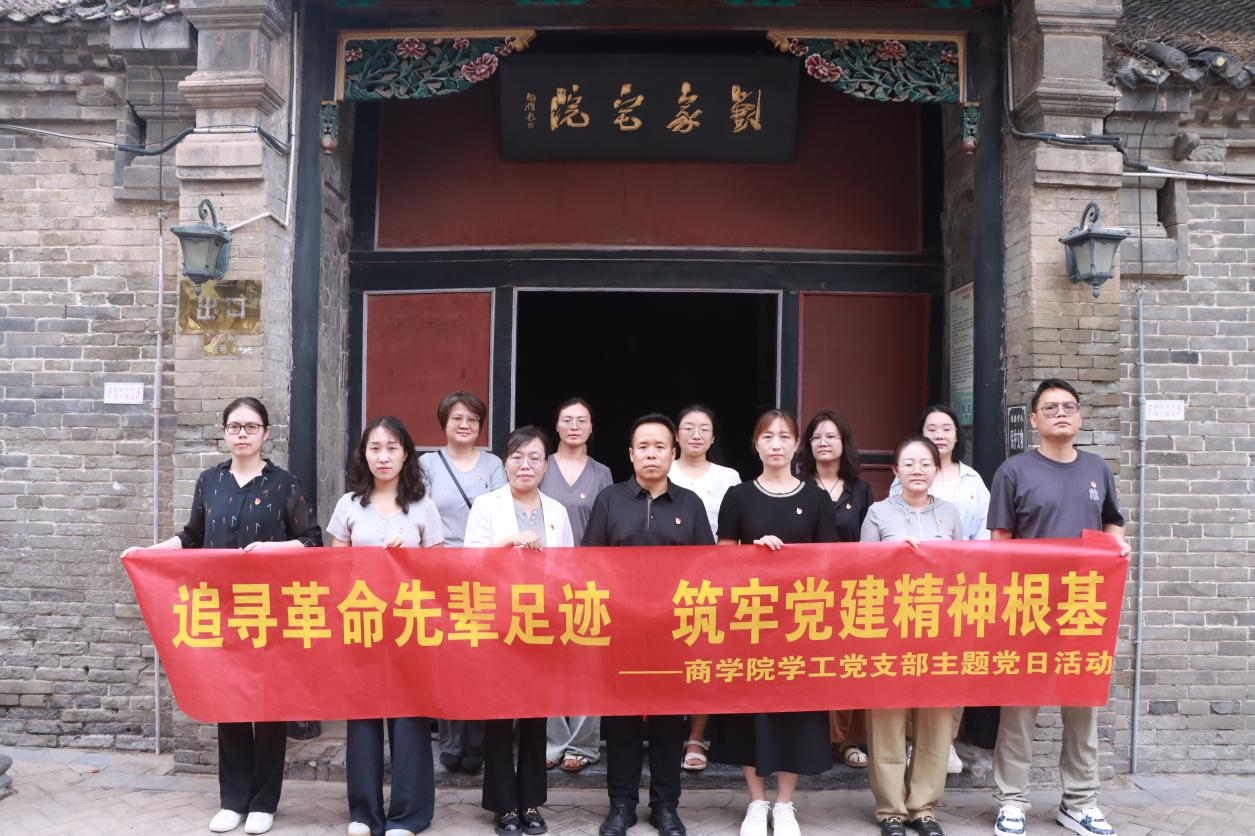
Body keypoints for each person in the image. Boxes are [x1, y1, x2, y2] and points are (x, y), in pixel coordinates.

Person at [124, 397, 321, 836]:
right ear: (225, 433)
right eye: (235, 426)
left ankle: (264, 803)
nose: (242, 434)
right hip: (221, 609)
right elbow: (191, 536)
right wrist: (148, 553)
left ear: (266, 433)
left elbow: (312, 540)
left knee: (268, 706)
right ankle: (233, 800)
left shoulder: (284, 483)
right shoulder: (210, 481)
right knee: (229, 701)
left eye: (251, 427)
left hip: (270, 610)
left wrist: (272, 549)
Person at [989, 379, 1129, 836]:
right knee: (1019, 710)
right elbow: (1000, 541)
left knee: (1082, 707)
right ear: (1033, 420)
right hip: (1029, 606)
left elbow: (1113, 521)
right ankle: (1012, 800)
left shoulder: (1096, 469)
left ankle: (1080, 802)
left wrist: (1116, 547)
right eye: (1050, 408)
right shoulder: (1013, 471)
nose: (1061, 413)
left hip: (1083, 606)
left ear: (1080, 417)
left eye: (1069, 406)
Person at [583, 414, 714, 836]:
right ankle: (621, 805)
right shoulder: (610, 500)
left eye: (660, 447)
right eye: (643, 447)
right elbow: (590, 564)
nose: (651, 454)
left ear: (673, 453)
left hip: (673, 634)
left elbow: (707, 568)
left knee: (667, 723)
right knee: (621, 722)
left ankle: (665, 806)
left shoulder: (690, 504)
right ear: (630, 454)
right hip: (620, 632)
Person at [707, 409, 836, 836]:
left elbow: (829, 562)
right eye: (767, 436)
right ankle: (756, 801)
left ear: (796, 444)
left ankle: (784, 803)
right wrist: (752, 553)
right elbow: (722, 560)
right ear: (756, 444)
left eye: (784, 436)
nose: (776, 444)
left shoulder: (815, 499)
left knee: (793, 712)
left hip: (800, 622)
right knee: (752, 712)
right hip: (751, 622)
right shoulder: (738, 496)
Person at [328, 416, 442, 836]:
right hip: (362, 624)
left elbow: (439, 571)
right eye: (375, 448)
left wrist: (408, 559)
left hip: (410, 625)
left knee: (409, 719)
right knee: (362, 719)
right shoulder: (349, 505)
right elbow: (335, 568)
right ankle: (364, 813)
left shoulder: (423, 505)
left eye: (392, 447)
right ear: (364, 454)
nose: (383, 456)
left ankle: (409, 814)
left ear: (406, 454)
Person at [465, 426, 574, 836]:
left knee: (534, 717)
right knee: (498, 716)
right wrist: (507, 543)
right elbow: (469, 563)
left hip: (542, 625)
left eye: (534, 458)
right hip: (497, 623)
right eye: (516, 457)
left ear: (546, 465)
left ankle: (530, 802)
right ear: (504, 463)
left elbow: (569, 568)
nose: (525, 465)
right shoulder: (487, 505)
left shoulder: (557, 511)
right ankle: (503, 805)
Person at [861, 436, 964, 836]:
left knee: (936, 720)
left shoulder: (950, 513)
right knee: (886, 720)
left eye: (925, 463)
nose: (917, 470)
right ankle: (890, 809)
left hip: (940, 629)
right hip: (890, 628)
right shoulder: (878, 512)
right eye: (909, 463)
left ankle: (924, 808)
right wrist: (892, 556)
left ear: (937, 469)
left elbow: (964, 568)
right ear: (895, 471)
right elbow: (860, 570)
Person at [890, 404, 992, 774]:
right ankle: (912, 741)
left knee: (951, 665)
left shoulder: (972, 480)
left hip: (960, 585)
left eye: (946, 428)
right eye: (931, 428)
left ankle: (944, 741)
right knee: (913, 664)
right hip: (913, 588)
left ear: (956, 435)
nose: (939, 434)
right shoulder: (906, 475)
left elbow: (984, 531)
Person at [419, 391, 506, 775]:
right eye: (457, 418)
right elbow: (419, 512)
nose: (465, 425)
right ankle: (451, 741)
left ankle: (477, 741)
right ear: (444, 422)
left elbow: (502, 510)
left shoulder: (493, 464)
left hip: (486, 572)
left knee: (482, 658)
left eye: (472, 419)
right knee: (448, 659)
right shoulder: (427, 465)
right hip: (442, 573)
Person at [537, 398, 613, 774]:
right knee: (547, 663)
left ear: (591, 428)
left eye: (582, 420)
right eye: (567, 419)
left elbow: (610, 521)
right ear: (557, 425)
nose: (574, 426)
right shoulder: (541, 465)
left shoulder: (602, 472)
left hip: (588, 581)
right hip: (544, 579)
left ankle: (583, 744)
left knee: (586, 663)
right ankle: (552, 742)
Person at [796, 409, 874, 771]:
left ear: (844, 443)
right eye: (816, 437)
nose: (823, 443)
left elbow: (869, 539)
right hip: (805, 591)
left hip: (850, 590)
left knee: (846, 665)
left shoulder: (861, 489)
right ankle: (808, 737)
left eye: (831, 436)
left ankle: (847, 740)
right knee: (809, 665)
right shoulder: (796, 486)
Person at [666, 404, 741, 773]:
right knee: (665, 658)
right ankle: (664, 733)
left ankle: (696, 736)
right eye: (688, 428)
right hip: (662, 579)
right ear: (675, 436)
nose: (696, 435)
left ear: (713, 437)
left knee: (703, 658)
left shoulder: (728, 477)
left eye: (704, 429)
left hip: (712, 581)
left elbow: (735, 530)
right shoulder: (662, 468)